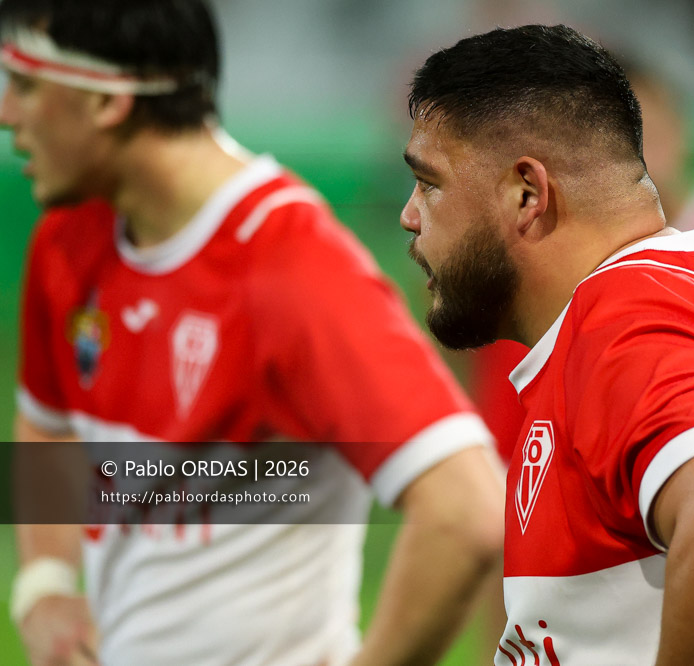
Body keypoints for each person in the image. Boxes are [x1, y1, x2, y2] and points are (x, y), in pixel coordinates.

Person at [0, 1, 504, 664]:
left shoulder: (290, 267)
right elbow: (49, 423)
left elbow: (466, 509)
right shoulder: (68, 237)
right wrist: (45, 585)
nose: (8, 113)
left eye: (28, 86)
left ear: (107, 103)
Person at [402, 24, 694, 665]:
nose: (409, 214)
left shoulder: (628, 322)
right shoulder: (670, 293)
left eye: (429, 183)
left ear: (527, 194)